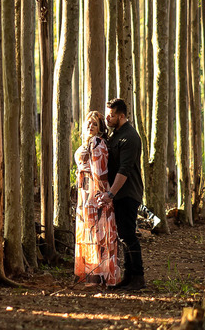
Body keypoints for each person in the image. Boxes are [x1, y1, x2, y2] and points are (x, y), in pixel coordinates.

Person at [101, 97, 146, 291]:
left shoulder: (130, 137)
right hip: (119, 194)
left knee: (128, 234)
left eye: (110, 115)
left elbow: (125, 170)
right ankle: (129, 276)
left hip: (128, 193)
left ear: (121, 116)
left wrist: (111, 193)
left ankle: (138, 276)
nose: (107, 118)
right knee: (123, 235)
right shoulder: (116, 134)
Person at [73, 111, 122, 286]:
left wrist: (102, 197)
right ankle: (91, 273)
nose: (90, 126)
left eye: (94, 124)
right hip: (85, 193)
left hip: (94, 194)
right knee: (90, 232)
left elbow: (100, 172)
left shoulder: (97, 142)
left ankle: (98, 276)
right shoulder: (87, 143)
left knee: (97, 233)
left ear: (100, 128)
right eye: (88, 123)